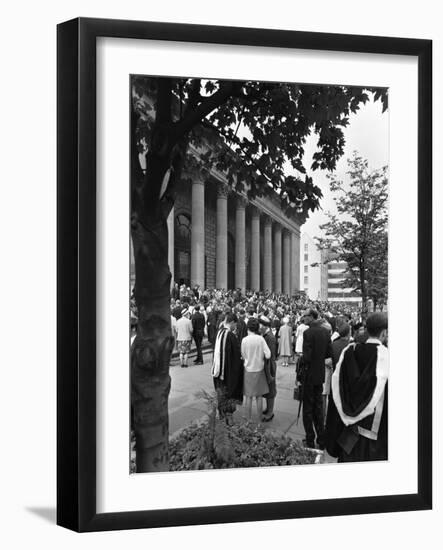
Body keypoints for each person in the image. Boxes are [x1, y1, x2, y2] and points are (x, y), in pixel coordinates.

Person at [326, 312, 389, 462]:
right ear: (384, 332)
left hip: (348, 436)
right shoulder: (388, 357)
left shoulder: (349, 351)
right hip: (374, 441)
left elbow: (337, 392)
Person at [301, 308, 332, 449]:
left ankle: (310, 439)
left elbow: (306, 358)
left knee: (308, 409)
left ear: (312, 317)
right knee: (318, 408)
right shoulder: (326, 332)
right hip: (319, 375)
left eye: (305, 316)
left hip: (309, 376)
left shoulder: (308, 333)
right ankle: (322, 439)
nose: (303, 318)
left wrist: (301, 360)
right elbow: (328, 353)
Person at [211, 312, 244, 425]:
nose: (236, 327)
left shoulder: (219, 332)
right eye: (235, 324)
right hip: (228, 373)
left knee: (221, 394)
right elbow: (236, 357)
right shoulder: (230, 335)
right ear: (232, 322)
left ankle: (221, 416)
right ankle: (229, 419)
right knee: (229, 393)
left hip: (218, 371)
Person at [241, 318, 271, 425]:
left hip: (248, 370)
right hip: (259, 370)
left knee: (248, 397)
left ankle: (248, 420)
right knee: (259, 397)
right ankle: (259, 421)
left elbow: (243, 355)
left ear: (248, 327)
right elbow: (268, 354)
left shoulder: (244, 340)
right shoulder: (261, 339)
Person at [259, 315, 277, 422]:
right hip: (266, 365)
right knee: (267, 390)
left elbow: (269, 356)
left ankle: (270, 413)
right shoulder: (266, 335)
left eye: (260, 325)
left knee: (270, 390)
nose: (259, 327)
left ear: (265, 326)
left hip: (269, 366)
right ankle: (268, 409)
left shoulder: (269, 337)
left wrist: (269, 372)